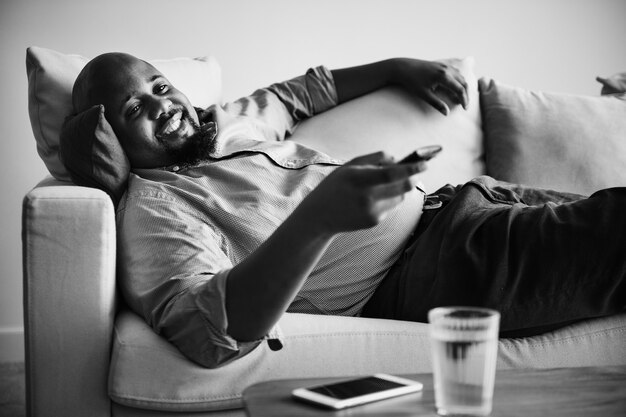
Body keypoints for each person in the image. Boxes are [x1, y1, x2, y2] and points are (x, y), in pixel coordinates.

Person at [68, 52, 625, 368]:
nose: (163, 105)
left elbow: (299, 94)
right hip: (436, 267)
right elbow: (209, 331)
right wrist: (319, 218)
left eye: (161, 87)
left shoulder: (229, 122)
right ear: (112, 139)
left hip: (467, 201)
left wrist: (396, 67)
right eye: (135, 108)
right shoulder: (156, 206)